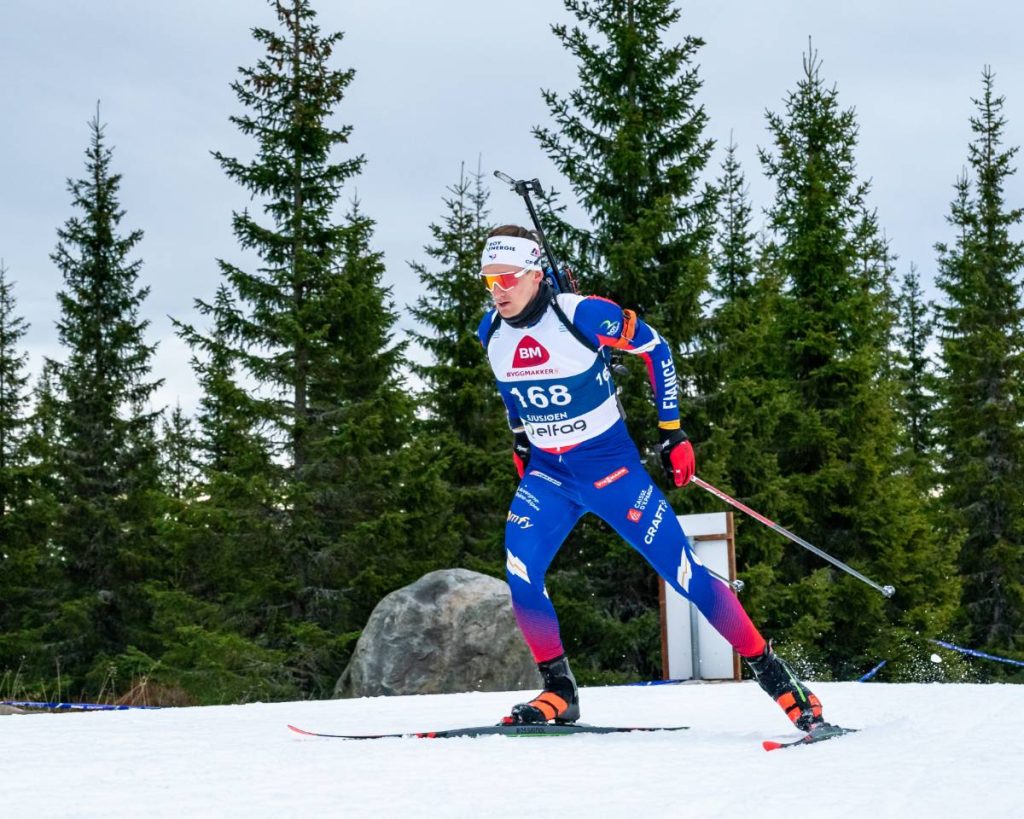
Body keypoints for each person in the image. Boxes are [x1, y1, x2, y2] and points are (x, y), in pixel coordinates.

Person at [477, 224, 827, 733]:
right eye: (489, 280)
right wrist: (521, 439)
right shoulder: (491, 331)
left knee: (684, 573)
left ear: (535, 273)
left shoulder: (582, 315)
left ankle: (783, 683)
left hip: (611, 470)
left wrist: (672, 432)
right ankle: (560, 691)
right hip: (550, 475)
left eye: (507, 277)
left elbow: (657, 349)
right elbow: (513, 394)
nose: (499, 290)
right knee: (521, 573)